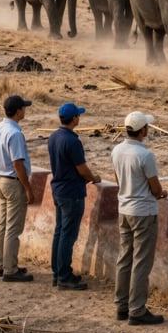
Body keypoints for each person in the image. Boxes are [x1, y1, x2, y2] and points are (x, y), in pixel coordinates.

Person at [111, 110, 168, 326]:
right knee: (142, 262)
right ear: (142, 130)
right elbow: (155, 188)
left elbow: (118, 179)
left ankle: (122, 305)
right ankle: (137, 309)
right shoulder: (146, 155)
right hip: (143, 212)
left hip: (124, 209)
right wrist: (161, 193)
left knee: (124, 257)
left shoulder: (117, 150)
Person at [48, 102, 101, 290]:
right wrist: (93, 178)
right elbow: (82, 168)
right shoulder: (72, 141)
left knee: (60, 232)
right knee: (68, 236)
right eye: (78, 115)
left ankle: (58, 272)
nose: (79, 118)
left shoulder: (54, 137)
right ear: (74, 119)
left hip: (59, 190)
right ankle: (64, 276)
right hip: (72, 193)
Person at [0, 94, 35, 282]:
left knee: (3, 225)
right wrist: (28, 188)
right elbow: (18, 163)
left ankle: (2, 264)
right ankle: (10, 269)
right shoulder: (15, 134)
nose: (25, 111)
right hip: (13, 182)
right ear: (18, 112)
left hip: (1, 179)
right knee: (13, 228)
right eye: (23, 108)